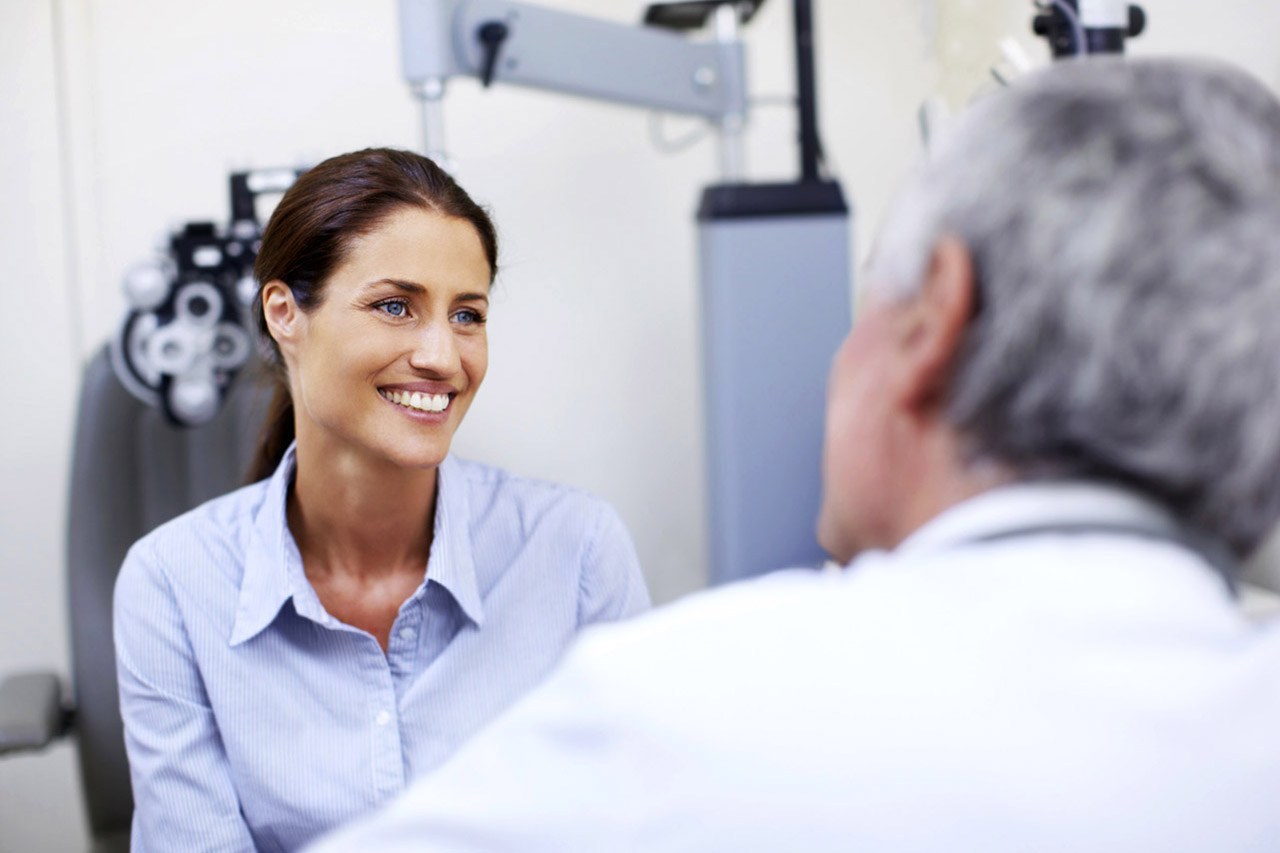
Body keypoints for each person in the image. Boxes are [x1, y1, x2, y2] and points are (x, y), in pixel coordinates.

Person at [307, 59, 1280, 853]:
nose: (438, 350)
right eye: (396, 304)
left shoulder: (688, 705)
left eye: (867, 299)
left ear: (932, 319)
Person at [112, 148, 651, 852]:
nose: (442, 355)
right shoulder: (173, 584)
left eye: (467, 314)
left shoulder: (576, 550)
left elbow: (636, 822)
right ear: (284, 314)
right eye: (395, 306)